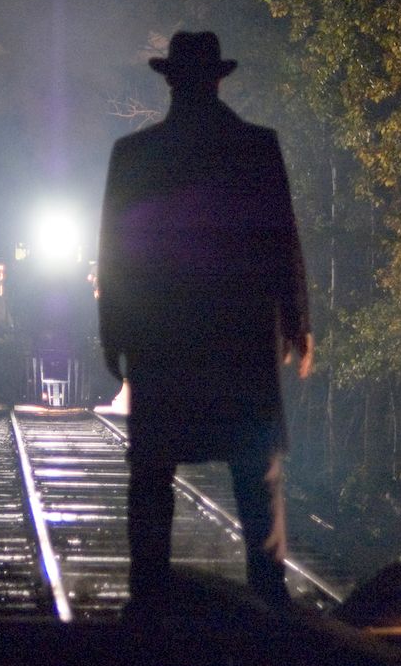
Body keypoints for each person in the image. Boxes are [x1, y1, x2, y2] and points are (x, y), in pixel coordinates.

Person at [97, 31, 313, 614]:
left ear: (171, 79)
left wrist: (113, 330)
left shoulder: (134, 153)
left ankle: (148, 596)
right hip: (238, 336)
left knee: (152, 472)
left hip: (163, 336)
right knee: (253, 467)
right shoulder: (256, 147)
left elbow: (115, 251)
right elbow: (280, 240)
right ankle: (269, 601)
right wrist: (296, 321)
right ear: (219, 78)